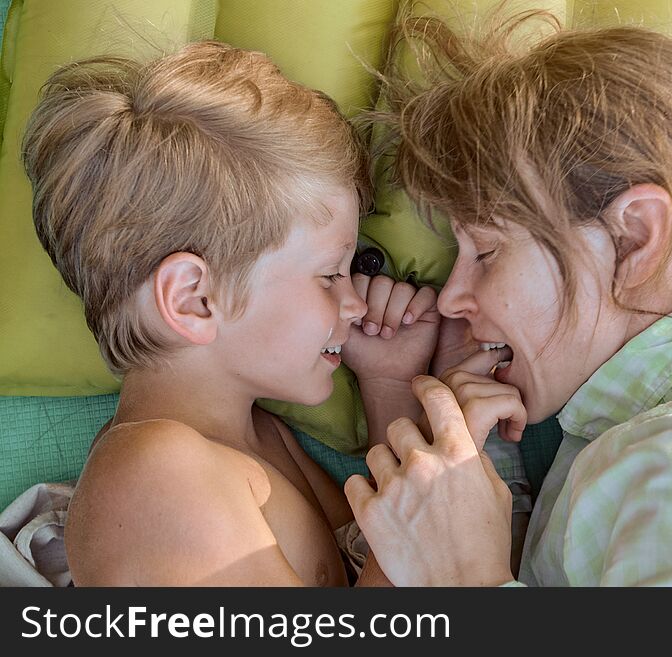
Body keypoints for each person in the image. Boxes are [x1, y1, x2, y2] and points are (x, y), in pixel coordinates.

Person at [344, 14, 672, 586]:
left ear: (635, 237)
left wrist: (464, 579)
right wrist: (478, 469)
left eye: (488, 251)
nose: (452, 299)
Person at [20, 40, 442, 586]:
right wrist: (439, 486)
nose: (356, 299)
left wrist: (390, 386)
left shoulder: (258, 438)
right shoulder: (155, 475)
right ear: (194, 299)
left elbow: (379, 556)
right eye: (330, 274)